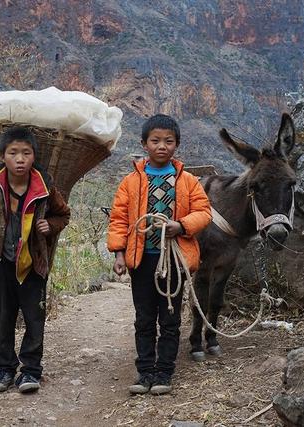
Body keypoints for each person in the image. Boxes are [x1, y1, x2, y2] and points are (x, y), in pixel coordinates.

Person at [107, 114, 212, 395]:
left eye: (168, 141)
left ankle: (164, 372)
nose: (161, 146)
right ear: (144, 144)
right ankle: (145, 372)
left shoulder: (188, 181)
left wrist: (181, 226)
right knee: (144, 317)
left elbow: (204, 212)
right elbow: (118, 218)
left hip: (174, 259)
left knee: (169, 317)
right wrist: (119, 253)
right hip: (141, 259)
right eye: (155, 141)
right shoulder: (131, 182)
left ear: (176, 145)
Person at [0, 126, 70, 393]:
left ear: (34, 156)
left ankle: (31, 371)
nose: (20, 159)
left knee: (34, 319)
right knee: (5, 317)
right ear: (2, 156)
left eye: (26, 153)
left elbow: (63, 214)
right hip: (4, 264)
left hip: (34, 266)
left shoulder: (45, 188)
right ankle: (5, 369)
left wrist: (50, 225)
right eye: (13, 153)